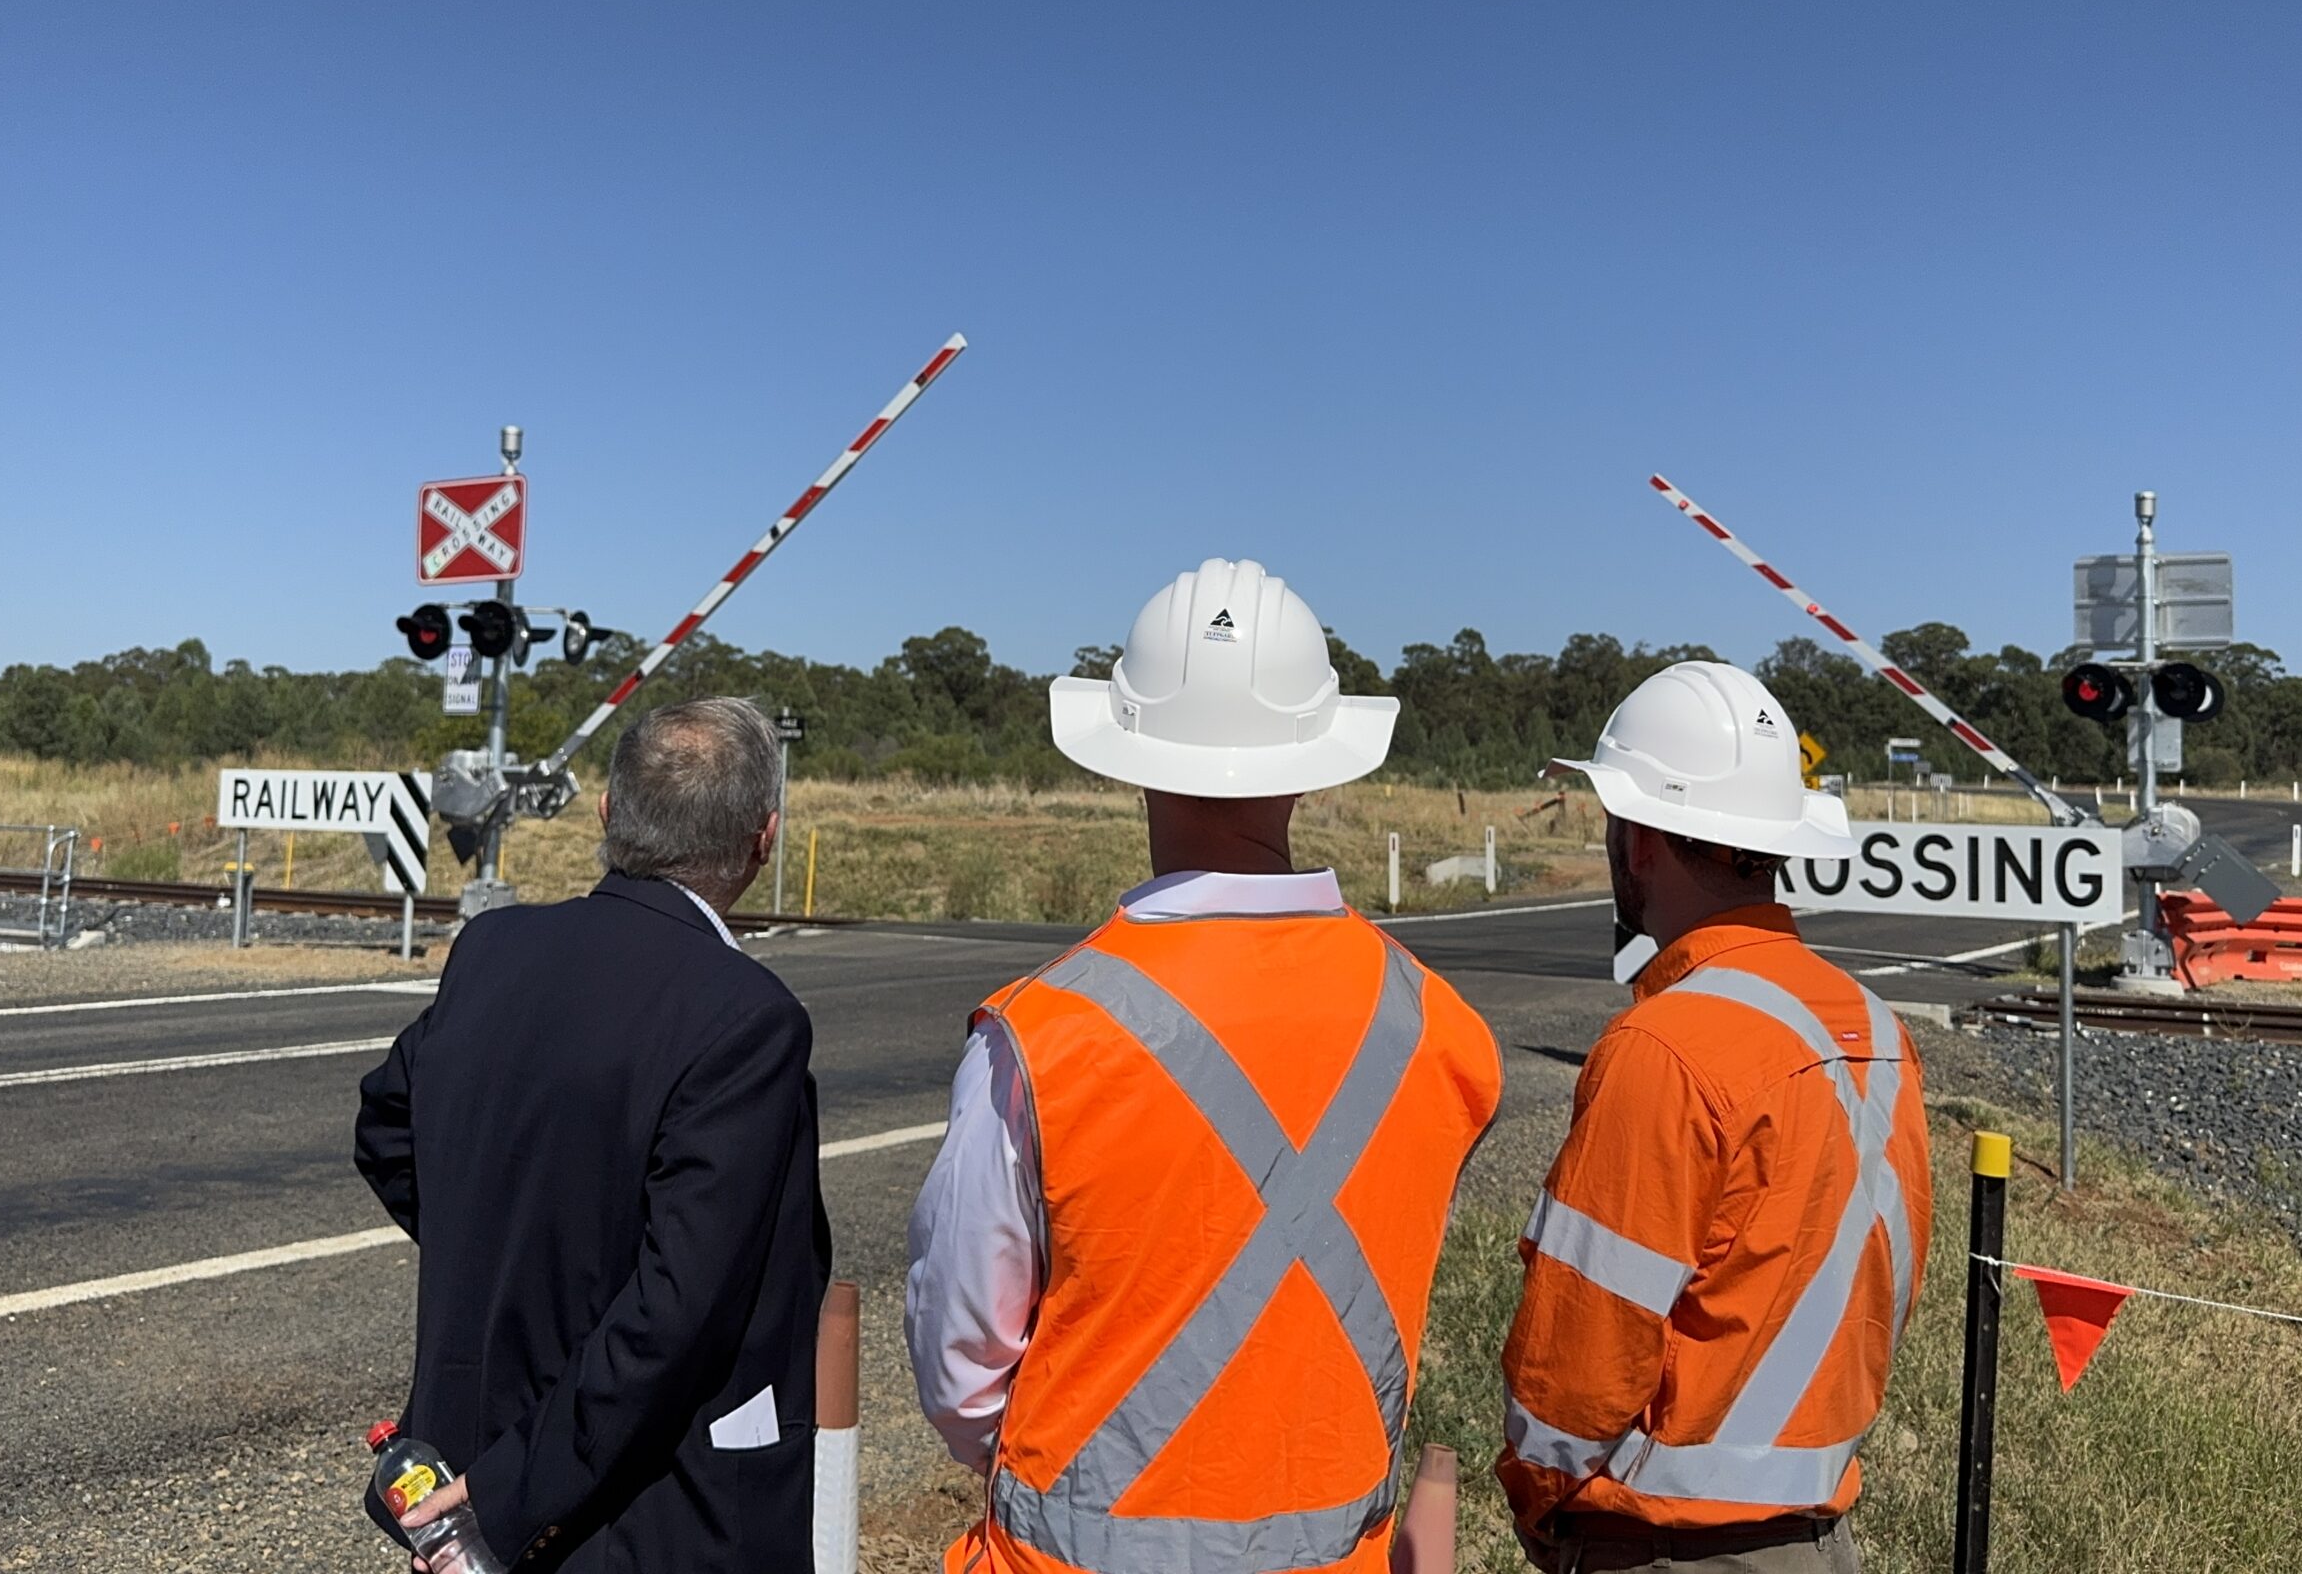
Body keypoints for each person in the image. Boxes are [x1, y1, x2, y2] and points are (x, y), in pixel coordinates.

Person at [907, 557, 1502, 1574]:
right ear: (1316, 764)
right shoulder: (1439, 1028)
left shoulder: (1040, 1034)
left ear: (1129, 757)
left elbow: (960, 1362)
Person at [355, 696, 830, 1572]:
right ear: (765, 841)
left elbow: (388, 1126)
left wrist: (502, 1247)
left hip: (467, 1460)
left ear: (609, 814)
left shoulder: (493, 949)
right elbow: (675, 1312)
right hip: (636, 1510)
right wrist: (511, 1496)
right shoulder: (748, 1018)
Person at [1497, 661, 1931, 1574]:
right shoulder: (1879, 1030)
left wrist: (1542, 1504)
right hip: (1817, 1539)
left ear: (1641, 839)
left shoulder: (1666, 1047)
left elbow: (1578, 1365)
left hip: (1667, 1546)